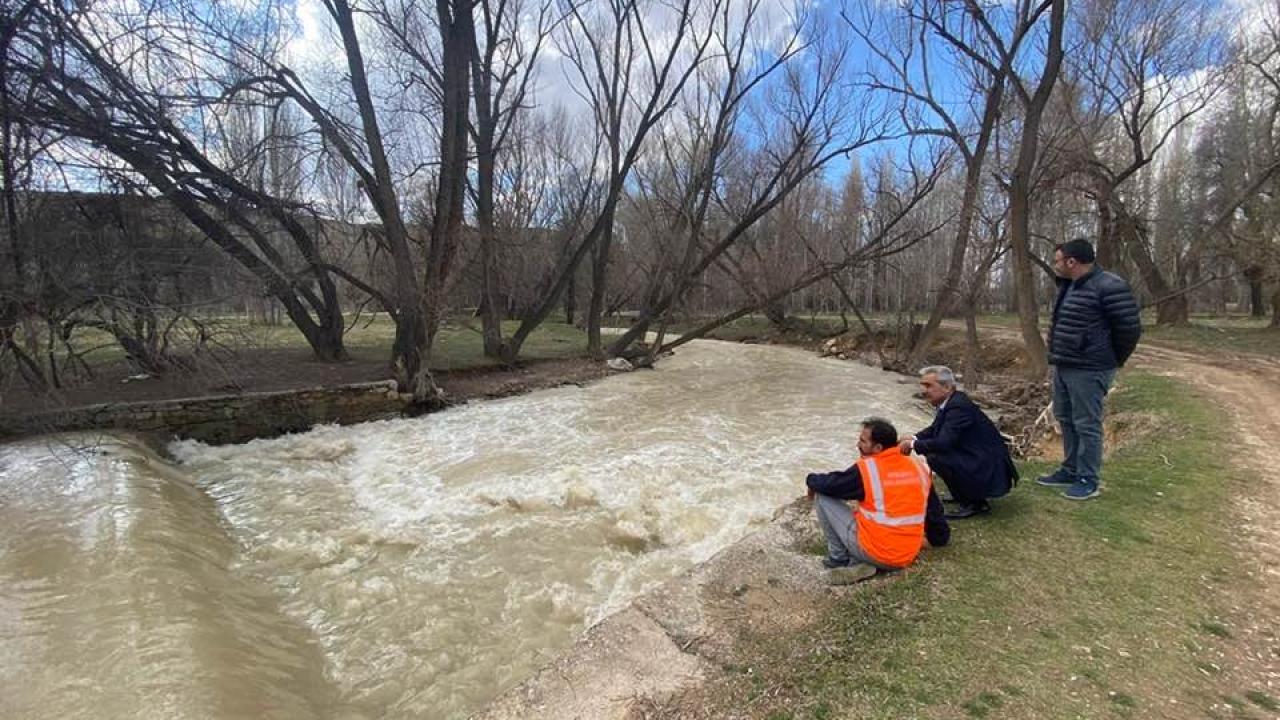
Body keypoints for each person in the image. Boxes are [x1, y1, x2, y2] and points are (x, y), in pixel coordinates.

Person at [1036, 238, 1142, 501]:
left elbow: (1129, 329)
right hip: (1065, 364)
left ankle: (1088, 479)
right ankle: (1070, 469)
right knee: (1066, 418)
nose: (1055, 265)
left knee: (1087, 424)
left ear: (1072, 261)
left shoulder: (1109, 286)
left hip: (1090, 368)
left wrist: (1110, 359)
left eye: (1058, 260)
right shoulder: (1069, 285)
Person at [806, 417, 950, 584]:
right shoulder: (919, 467)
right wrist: (939, 538)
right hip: (906, 554)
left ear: (878, 447)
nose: (857, 445)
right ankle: (864, 563)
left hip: (878, 551)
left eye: (862, 441)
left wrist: (810, 480)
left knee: (822, 497)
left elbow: (830, 485)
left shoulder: (868, 470)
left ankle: (839, 559)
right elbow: (934, 513)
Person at [898, 366, 1018, 519]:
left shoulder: (958, 406)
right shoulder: (952, 400)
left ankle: (976, 503)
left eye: (928, 386)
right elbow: (935, 428)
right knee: (935, 455)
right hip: (980, 456)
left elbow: (944, 443)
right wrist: (913, 437)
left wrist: (912, 445)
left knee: (936, 456)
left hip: (988, 465)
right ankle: (962, 495)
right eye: (922, 385)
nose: (923, 390)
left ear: (947, 387)